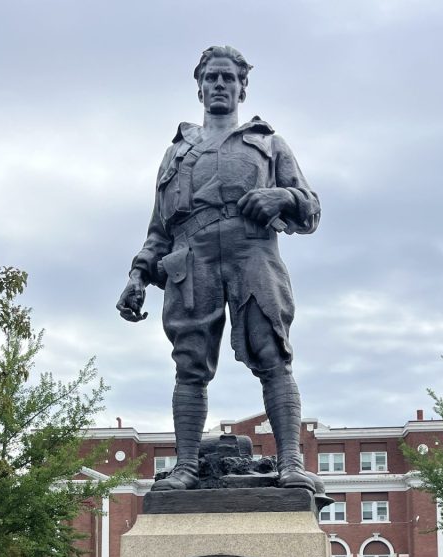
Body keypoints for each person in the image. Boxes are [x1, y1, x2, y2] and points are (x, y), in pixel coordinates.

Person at [117, 45, 321, 492]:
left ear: (242, 87)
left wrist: (281, 197)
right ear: (199, 86)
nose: (220, 85)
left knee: (273, 355)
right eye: (211, 78)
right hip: (191, 261)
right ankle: (186, 467)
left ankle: (290, 462)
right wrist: (137, 275)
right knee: (189, 364)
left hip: (253, 253)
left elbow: (310, 208)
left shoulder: (269, 143)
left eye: (228, 78)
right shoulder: (176, 153)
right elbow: (158, 228)